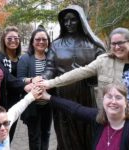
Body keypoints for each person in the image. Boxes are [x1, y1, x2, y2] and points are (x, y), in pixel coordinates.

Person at [42, 27, 129, 126]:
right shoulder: (103, 61)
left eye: (120, 43)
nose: (117, 47)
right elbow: (78, 73)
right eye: (113, 44)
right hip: (114, 121)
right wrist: (49, 83)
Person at [42, 5, 106, 149]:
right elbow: (50, 68)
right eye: (65, 21)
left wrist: (89, 77)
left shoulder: (94, 45)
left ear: (81, 20)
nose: (68, 24)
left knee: (87, 133)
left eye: (73, 20)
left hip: (86, 96)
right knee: (65, 136)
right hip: (62, 96)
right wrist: (43, 80)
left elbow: (104, 71)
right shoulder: (56, 44)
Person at [40, 83, 129, 150]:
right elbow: (75, 109)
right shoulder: (100, 119)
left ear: (126, 102)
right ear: (103, 100)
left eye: (118, 97)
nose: (113, 101)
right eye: (109, 97)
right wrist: (48, 97)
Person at [0, 86, 43, 150]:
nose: (3, 128)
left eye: (6, 123)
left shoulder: (2, 125)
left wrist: (31, 96)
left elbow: (15, 110)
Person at [17, 27, 52, 150]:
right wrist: (30, 81)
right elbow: (19, 79)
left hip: (48, 104)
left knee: (46, 133)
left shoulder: (51, 58)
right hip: (32, 106)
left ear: (48, 41)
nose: (41, 42)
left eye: (44, 39)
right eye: (38, 39)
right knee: (34, 136)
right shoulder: (25, 59)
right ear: (32, 42)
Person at [0, 26, 22, 142]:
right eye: (9, 38)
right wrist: (26, 82)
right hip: (3, 103)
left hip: (16, 103)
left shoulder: (21, 59)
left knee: (9, 136)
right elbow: (7, 78)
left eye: (16, 38)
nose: (13, 40)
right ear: (3, 40)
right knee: (1, 137)